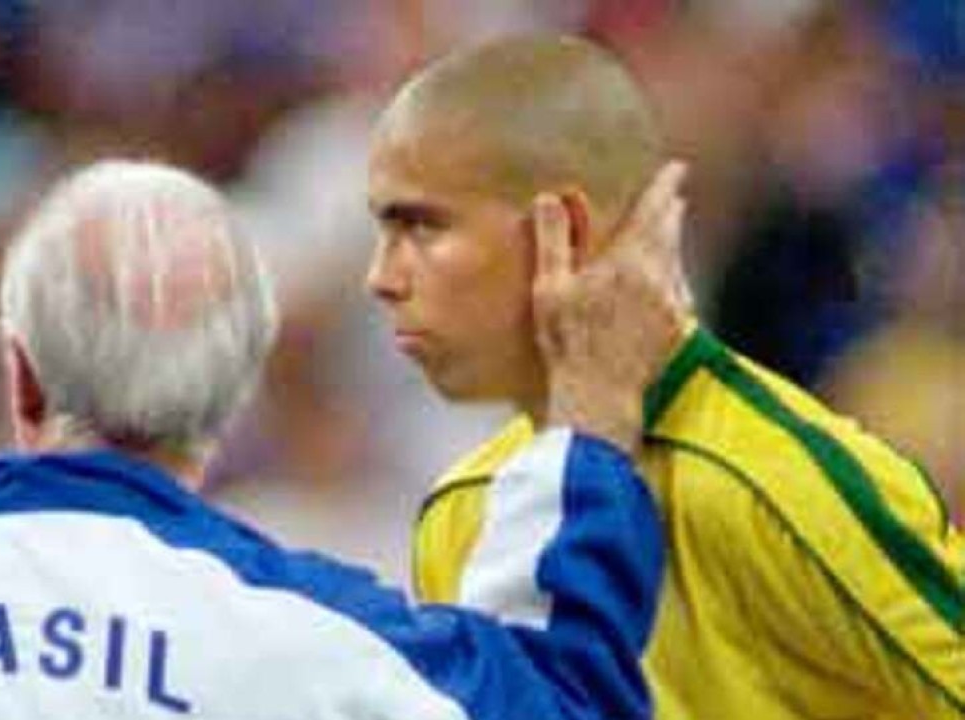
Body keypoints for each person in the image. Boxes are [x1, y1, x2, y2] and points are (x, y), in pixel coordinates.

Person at [0, 159, 682, 718]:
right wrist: (592, 415)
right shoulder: (317, 643)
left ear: (21, 376)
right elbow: (565, 703)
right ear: (236, 390)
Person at [365, 35, 965, 719]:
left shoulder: (770, 481)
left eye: (422, 228)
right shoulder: (461, 508)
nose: (381, 278)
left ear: (564, 230)